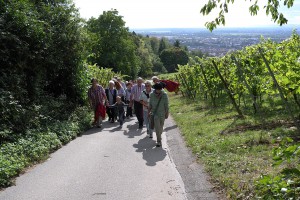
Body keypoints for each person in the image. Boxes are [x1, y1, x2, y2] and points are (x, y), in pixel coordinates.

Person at [149, 83, 169, 147]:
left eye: (160, 89)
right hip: (155, 114)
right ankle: (159, 141)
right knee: (157, 128)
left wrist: (167, 113)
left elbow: (166, 105)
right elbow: (150, 104)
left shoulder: (164, 95)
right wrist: (149, 112)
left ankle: (159, 136)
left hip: (162, 114)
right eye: (157, 89)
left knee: (161, 127)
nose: (158, 91)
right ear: (155, 89)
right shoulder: (151, 95)